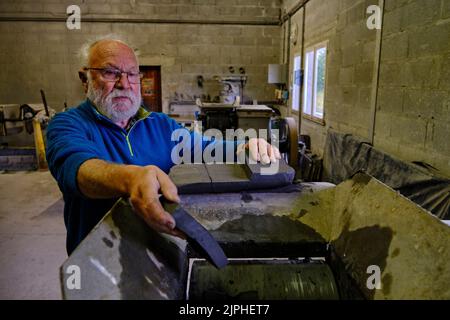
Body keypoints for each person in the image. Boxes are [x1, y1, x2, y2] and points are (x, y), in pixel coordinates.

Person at [46, 39, 281, 255]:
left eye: (132, 74)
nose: (124, 84)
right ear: (84, 78)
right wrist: (131, 179)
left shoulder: (160, 125)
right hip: (100, 260)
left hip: (159, 256)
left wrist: (246, 145)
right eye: (110, 72)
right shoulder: (68, 124)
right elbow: (77, 169)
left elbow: (206, 146)